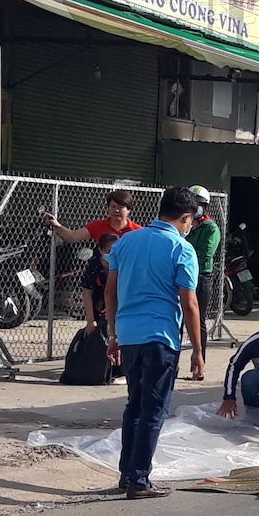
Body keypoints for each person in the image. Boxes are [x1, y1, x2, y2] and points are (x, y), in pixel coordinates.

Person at [105, 186, 204, 499]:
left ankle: (127, 475)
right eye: (191, 221)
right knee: (154, 409)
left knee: (134, 406)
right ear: (185, 217)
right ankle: (139, 480)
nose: (190, 227)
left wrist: (113, 334)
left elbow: (110, 291)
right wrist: (198, 350)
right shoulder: (182, 249)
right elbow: (189, 304)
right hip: (161, 338)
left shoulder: (126, 241)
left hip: (129, 336)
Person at [185, 185, 221, 368]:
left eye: (199, 204)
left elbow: (206, 253)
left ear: (205, 207)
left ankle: (199, 363)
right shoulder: (185, 225)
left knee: (197, 320)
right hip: (182, 276)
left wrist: (184, 257)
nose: (196, 207)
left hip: (200, 277)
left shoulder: (210, 228)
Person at [80, 233, 124, 382]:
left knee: (120, 336)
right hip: (99, 306)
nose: (113, 255)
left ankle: (121, 372)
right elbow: (87, 293)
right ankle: (100, 370)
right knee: (98, 338)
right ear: (100, 250)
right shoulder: (94, 265)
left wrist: (113, 309)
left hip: (118, 306)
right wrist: (90, 320)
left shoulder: (123, 264)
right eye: (109, 251)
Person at [44, 189, 141, 243]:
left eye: (121, 207)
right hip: (102, 272)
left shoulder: (138, 231)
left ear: (129, 210)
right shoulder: (98, 226)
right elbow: (74, 236)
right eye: (113, 206)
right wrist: (57, 225)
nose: (116, 210)